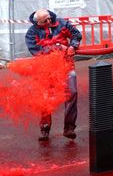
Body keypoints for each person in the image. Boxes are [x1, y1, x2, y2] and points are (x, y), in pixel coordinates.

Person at [25, 8, 82, 141]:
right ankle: (45, 128)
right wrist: (57, 47)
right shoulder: (31, 33)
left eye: (50, 18)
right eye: (45, 21)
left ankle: (69, 128)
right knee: (45, 98)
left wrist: (73, 46)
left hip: (66, 66)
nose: (49, 21)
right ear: (37, 22)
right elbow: (36, 51)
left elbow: (76, 34)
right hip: (46, 69)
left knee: (72, 92)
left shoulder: (62, 23)